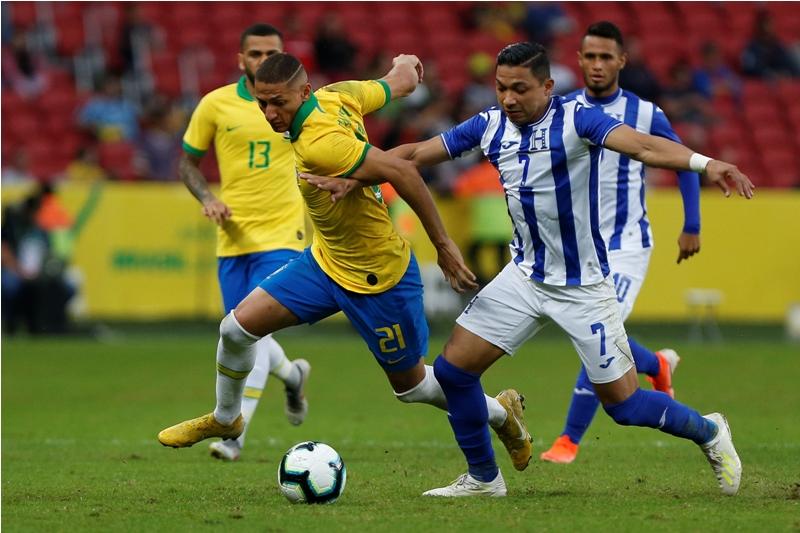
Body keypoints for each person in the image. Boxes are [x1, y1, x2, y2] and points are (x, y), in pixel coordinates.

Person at [304, 42, 752, 498]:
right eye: (501, 88)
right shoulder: (490, 124)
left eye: (520, 89)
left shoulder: (577, 119)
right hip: (524, 276)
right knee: (454, 372)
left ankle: (710, 432)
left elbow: (642, 146)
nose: (508, 98)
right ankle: (484, 479)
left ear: (547, 87)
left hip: (582, 286)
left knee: (624, 405)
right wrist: (354, 175)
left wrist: (706, 163)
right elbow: (417, 154)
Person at [158, 51, 535, 473]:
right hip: (325, 263)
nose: (269, 113)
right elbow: (398, 82)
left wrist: (444, 245)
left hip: (379, 276)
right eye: (262, 103)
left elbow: (402, 171)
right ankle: (226, 421)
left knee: (413, 389)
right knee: (235, 327)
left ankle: (502, 414)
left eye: (278, 102)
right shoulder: (339, 96)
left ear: (303, 92)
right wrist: (408, 63)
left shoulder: (321, 142)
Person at [539, 21, 702, 464]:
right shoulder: (563, 108)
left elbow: (683, 163)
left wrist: (692, 224)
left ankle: (569, 440)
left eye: (605, 57)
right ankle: (657, 365)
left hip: (628, 245)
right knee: (593, 333)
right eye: (589, 56)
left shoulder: (646, 114)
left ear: (622, 61)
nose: (596, 65)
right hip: (582, 248)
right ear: (578, 59)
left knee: (598, 336)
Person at [177, 24, 311, 462]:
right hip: (233, 236)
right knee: (241, 334)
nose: (262, 61)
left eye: (271, 53)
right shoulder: (215, 104)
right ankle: (291, 376)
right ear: (240, 59)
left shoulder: (301, 104)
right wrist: (207, 197)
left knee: (252, 330)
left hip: (282, 231)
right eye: (254, 54)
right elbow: (188, 163)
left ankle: (234, 435)